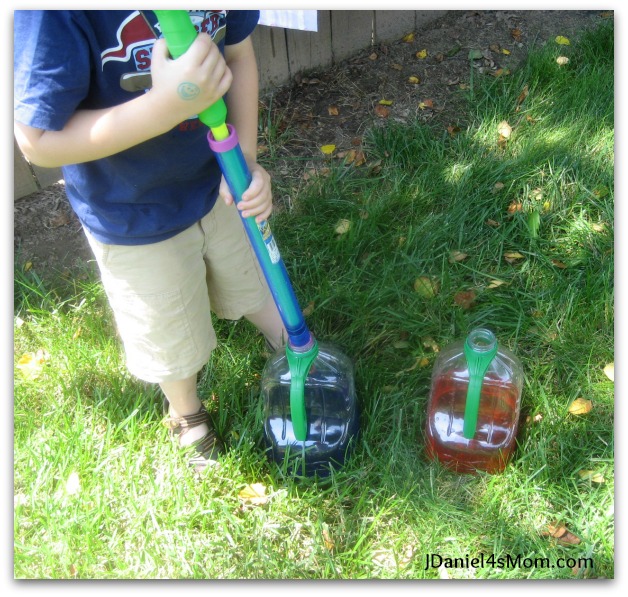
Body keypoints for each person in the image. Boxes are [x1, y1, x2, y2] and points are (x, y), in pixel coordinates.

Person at [14, 10, 287, 473]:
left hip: (216, 184)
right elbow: (37, 141)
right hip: (131, 212)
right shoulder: (53, 13)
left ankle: (292, 346)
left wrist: (245, 158)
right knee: (170, 329)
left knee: (249, 272)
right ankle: (186, 412)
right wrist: (169, 105)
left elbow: (237, 53)